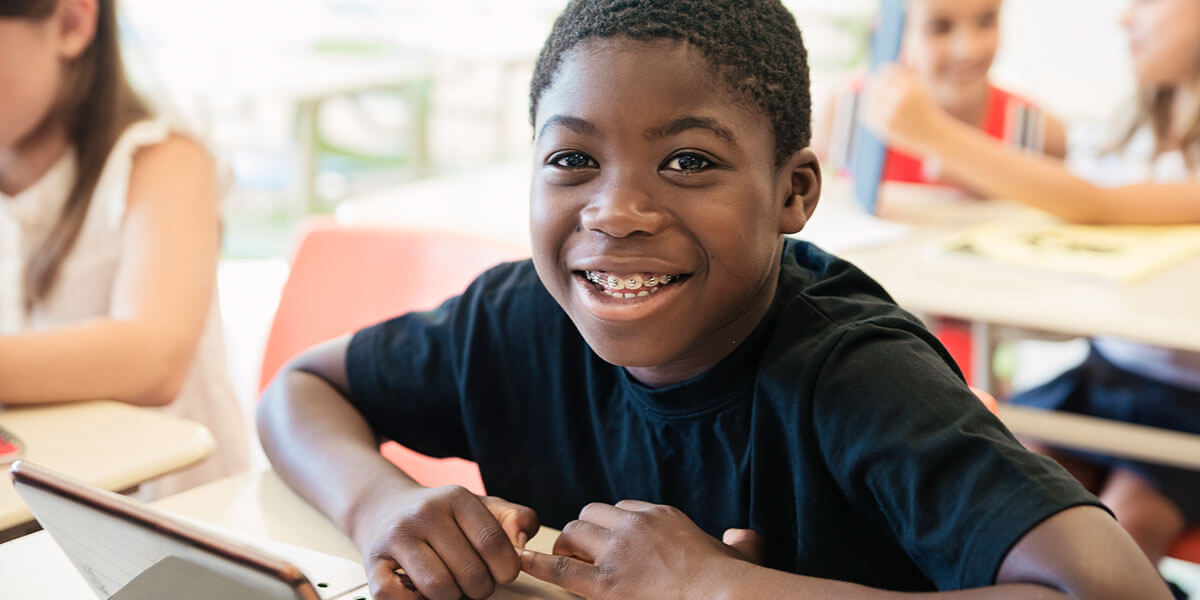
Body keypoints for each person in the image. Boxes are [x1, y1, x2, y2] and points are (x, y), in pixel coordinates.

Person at [257, 1, 1169, 598]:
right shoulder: (518, 320)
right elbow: (298, 390)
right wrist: (377, 505)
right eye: (572, 159)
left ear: (793, 193)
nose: (616, 211)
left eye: (688, 161)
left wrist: (721, 589)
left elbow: (1113, 592)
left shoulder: (853, 375)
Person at [861, 0, 1200, 573]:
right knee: (1019, 501)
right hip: (1102, 375)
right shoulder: (1133, 127)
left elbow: (1098, 206)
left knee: (1125, 525)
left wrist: (935, 134)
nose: (1124, 18)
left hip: (1184, 404)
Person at [0, 0, 249, 495]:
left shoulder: (163, 159)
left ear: (70, 23)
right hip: (38, 503)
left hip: (179, 517)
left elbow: (153, 359)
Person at [813, 0, 1067, 193]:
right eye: (940, 28)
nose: (968, 49)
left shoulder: (1039, 131)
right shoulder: (847, 111)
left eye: (987, 21)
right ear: (892, 32)